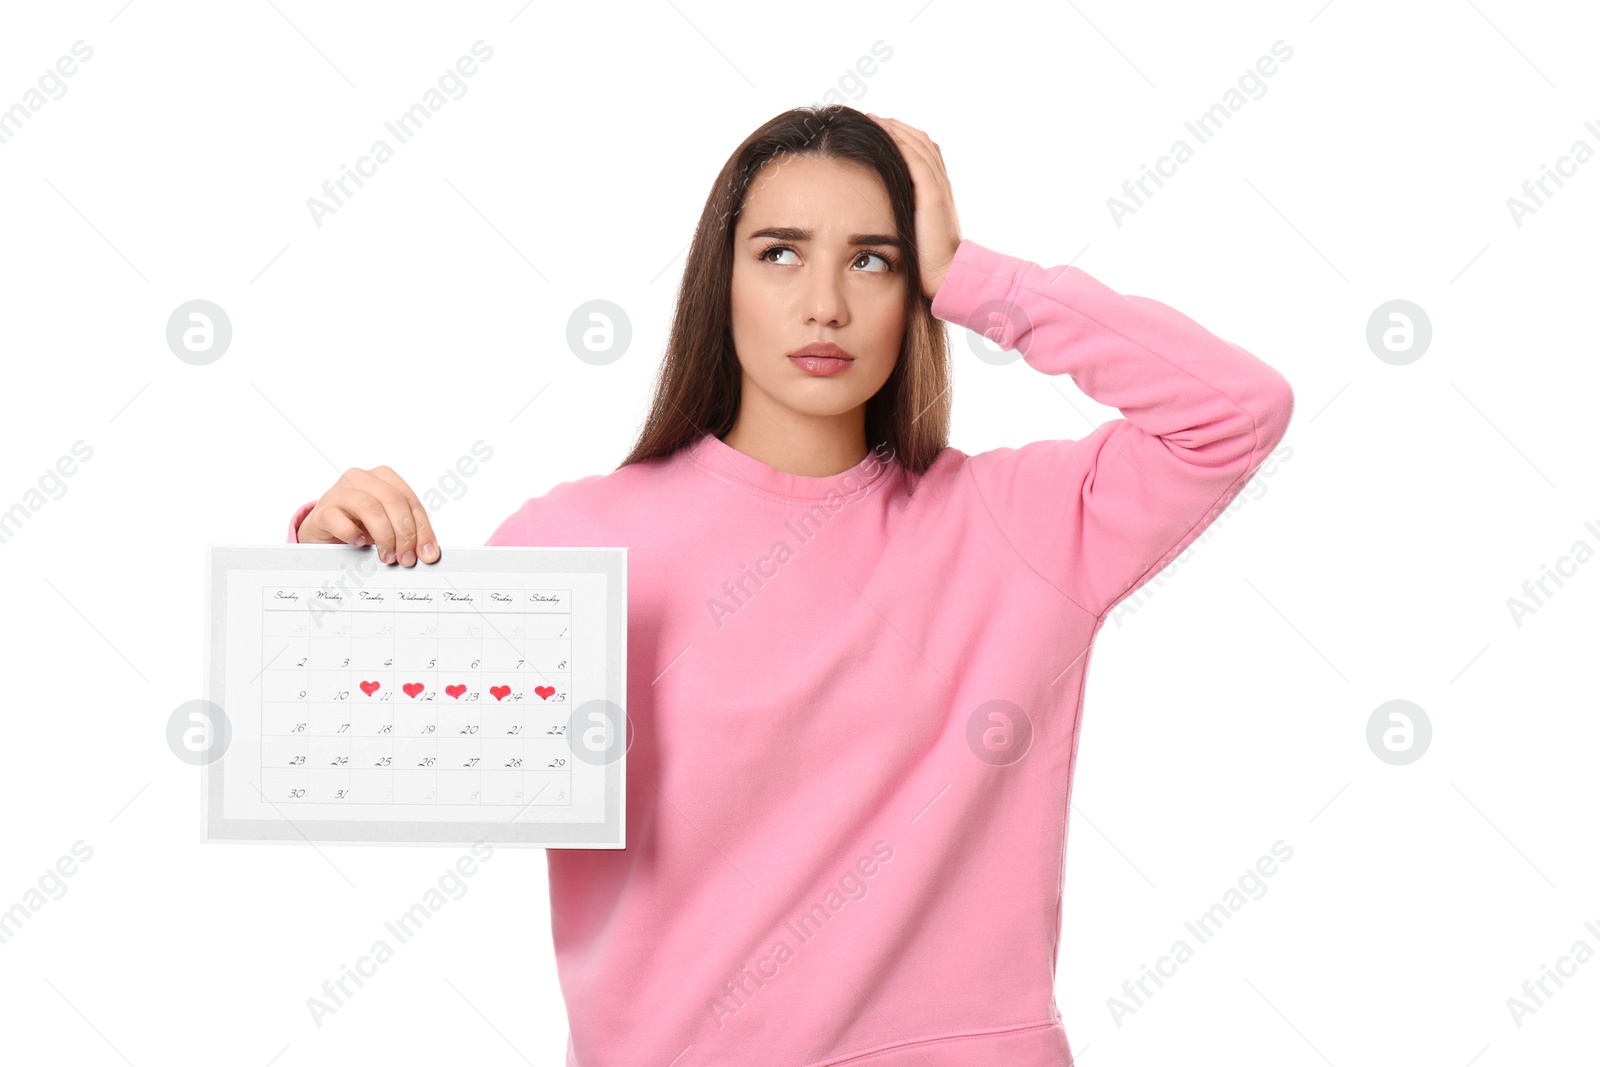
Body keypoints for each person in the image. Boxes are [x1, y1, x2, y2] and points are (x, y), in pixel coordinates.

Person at [287, 105, 1294, 1067]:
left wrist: (975, 277)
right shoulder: (578, 539)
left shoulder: (1016, 524)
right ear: (716, 285)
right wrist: (338, 560)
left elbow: (1236, 409)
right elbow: (341, 734)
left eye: (873, 259)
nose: (826, 303)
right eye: (779, 253)